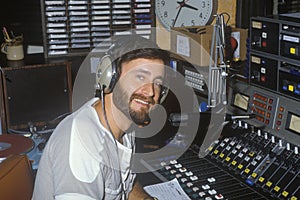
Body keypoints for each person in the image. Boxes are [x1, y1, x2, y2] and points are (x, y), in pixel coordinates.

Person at [32, 35, 170, 200]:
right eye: (140, 77)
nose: (150, 92)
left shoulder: (127, 123)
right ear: (109, 77)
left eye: (157, 83)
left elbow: (126, 186)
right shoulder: (82, 142)